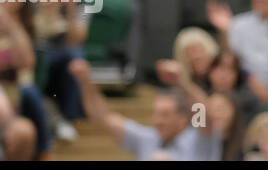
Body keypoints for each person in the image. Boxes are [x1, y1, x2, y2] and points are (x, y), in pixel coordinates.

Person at [68, 58, 218, 160]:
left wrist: (183, 82)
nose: (158, 120)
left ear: (182, 119)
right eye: (156, 114)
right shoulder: (148, 138)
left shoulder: (199, 139)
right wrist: (85, 81)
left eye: (165, 115)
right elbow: (102, 118)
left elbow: (205, 112)